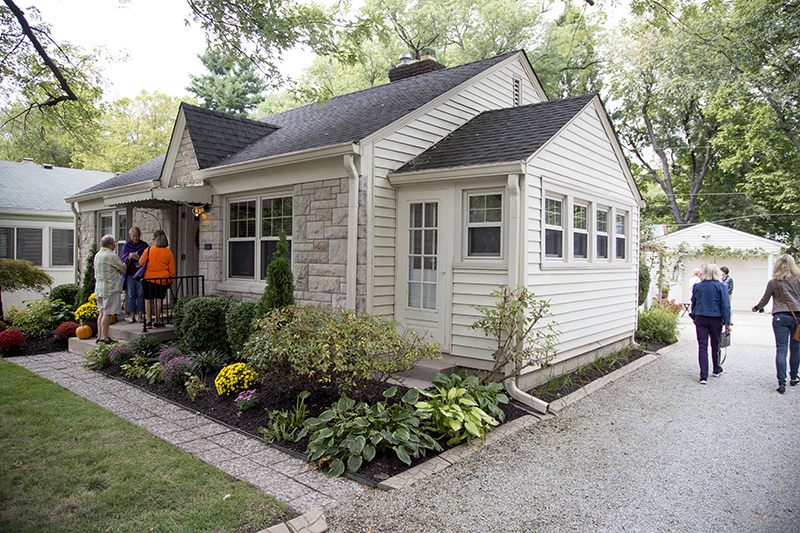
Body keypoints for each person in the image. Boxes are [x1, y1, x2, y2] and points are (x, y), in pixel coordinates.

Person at [752, 255, 800, 394]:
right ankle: (794, 377)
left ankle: (782, 382)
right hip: (798, 317)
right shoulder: (798, 280)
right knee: (796, 348)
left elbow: (765, 300)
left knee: (781, 349)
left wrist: (757, 307)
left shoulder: (774, 282)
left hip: (780, 317)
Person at [690, 264, 731, 384]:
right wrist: (727, 322)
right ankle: (716, 369)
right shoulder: (721, 287)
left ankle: (703, 375)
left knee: (702, 346)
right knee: (715, 344)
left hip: (701, 317)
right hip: (716, 318)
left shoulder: (697, 286)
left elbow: (694, 302)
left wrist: (693, 315)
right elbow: (725, 306)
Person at [93, 234, 126, 344]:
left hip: (99, 288)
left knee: (101, 313)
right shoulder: (111, 256)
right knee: (107, 314)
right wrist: (124, 265)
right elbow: (122, 269)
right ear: (112, 244)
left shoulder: (97, 255)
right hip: (110, 288)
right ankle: (105, 338)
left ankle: (100, 335)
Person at [139, 229, 175, 328]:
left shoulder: (149, 250)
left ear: (155, 239)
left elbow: (141, 263)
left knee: (148, 300)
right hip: (162, 279)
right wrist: (170, 280)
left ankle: (149, 321)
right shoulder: (168, 253)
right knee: (158, 300)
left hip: (148, 278)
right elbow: (171, 269)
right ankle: (158, 321)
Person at [120, 226, 148, 323]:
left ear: (140, 235)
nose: (135, 238)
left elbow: (147, 259)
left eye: (137, 236)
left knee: (140, 294)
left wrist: (139, 258)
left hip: (140, 274)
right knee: (131, 295)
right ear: (130, 236)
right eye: (133, 236)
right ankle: (132, 315)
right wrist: (129, 257)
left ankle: (140, 315)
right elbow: (122, 259)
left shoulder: (144, 245)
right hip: (130, 274)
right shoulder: (127, 246)